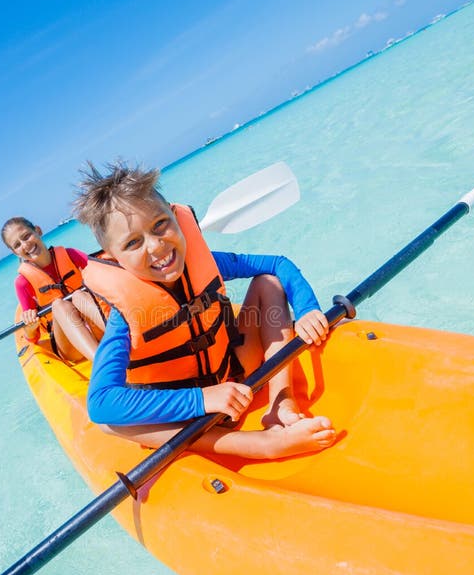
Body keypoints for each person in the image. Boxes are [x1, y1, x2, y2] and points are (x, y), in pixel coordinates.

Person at [72, 163, 336, 461]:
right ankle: (261, 445)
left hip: (235, 375)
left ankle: (281, 403)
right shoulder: (123, 316)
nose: (157, 246)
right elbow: (101, 402)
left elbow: (277, 264)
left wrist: (307, 309)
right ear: (114, 258)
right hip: (186, 419)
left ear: (176, 217)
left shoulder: (202, 262)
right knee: (110, 424)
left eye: (160, 224)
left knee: (269, 283)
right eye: (133, 243)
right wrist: (202, 399)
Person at [1, 217, 105, 362]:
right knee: (59, 304)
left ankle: (125, 340)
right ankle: (101, 362)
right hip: (70, 347)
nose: (25, 245)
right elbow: (33, 338)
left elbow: (104, 276)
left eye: (26, 236)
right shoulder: (23, 283)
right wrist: (30, 326)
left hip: (98, 330)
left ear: (38, 231)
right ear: (15, 253)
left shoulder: (71, 255)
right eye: (17, 245)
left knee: (79, 295)